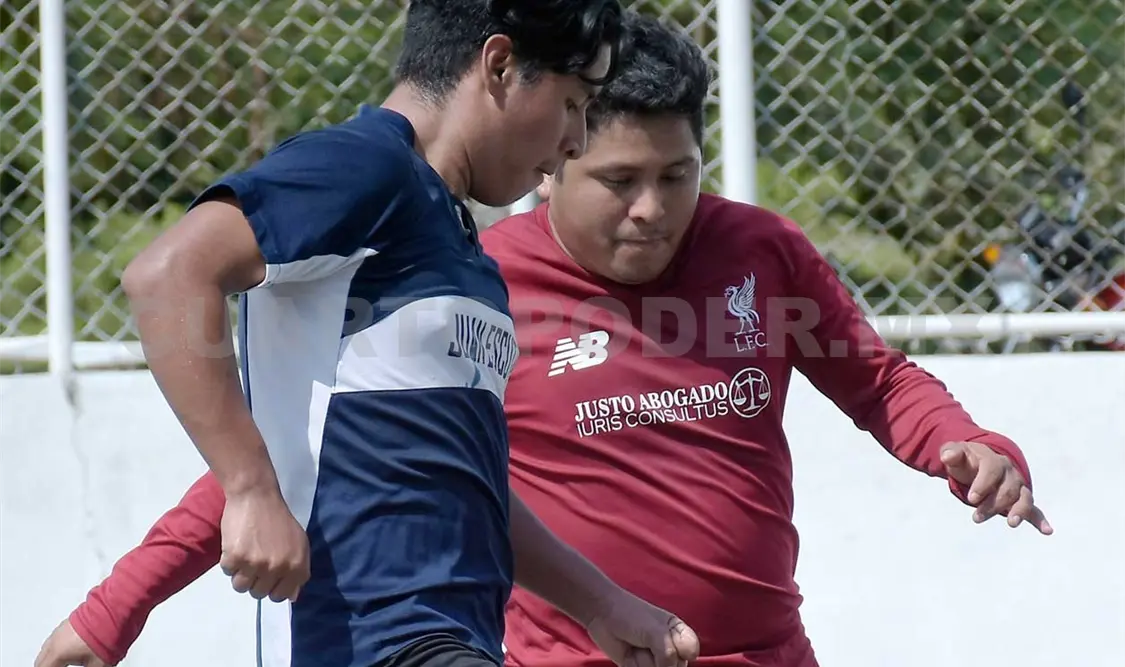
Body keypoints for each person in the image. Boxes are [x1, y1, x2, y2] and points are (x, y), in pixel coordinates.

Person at [37, 10, 1050, 667]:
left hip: (737, 647)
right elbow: (299, 441)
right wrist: (120, 602)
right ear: (556, 157)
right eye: (614, 174)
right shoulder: (447, 245)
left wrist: (967, 440)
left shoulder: (751, 253)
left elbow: (876, 377)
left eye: (678, 176)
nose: (652, 209)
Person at [33, 4, 707, 667]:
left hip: (453, 639)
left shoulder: (464, 253)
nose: (576, 139)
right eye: (572, 102)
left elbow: (459, 479)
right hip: (365, 636)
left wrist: (600, 603)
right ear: (499, 65)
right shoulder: (366, 168)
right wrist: (249, 491)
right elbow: (168, 275)